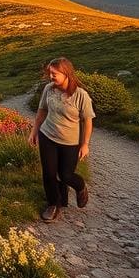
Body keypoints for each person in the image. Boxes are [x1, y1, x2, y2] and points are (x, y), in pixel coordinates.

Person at [26, 57, 95, 222]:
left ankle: (80, 187)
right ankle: (54, 204)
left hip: (69, 142)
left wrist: (85, 144)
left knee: (66, 175)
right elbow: (42, 111)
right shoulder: (49, 89)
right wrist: (34, 132)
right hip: (47, 136)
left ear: (66, 74)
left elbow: (88, 121)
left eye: (54, 73)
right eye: (50, 73)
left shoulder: (80, 95)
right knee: (49, 174)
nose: (51, 76)